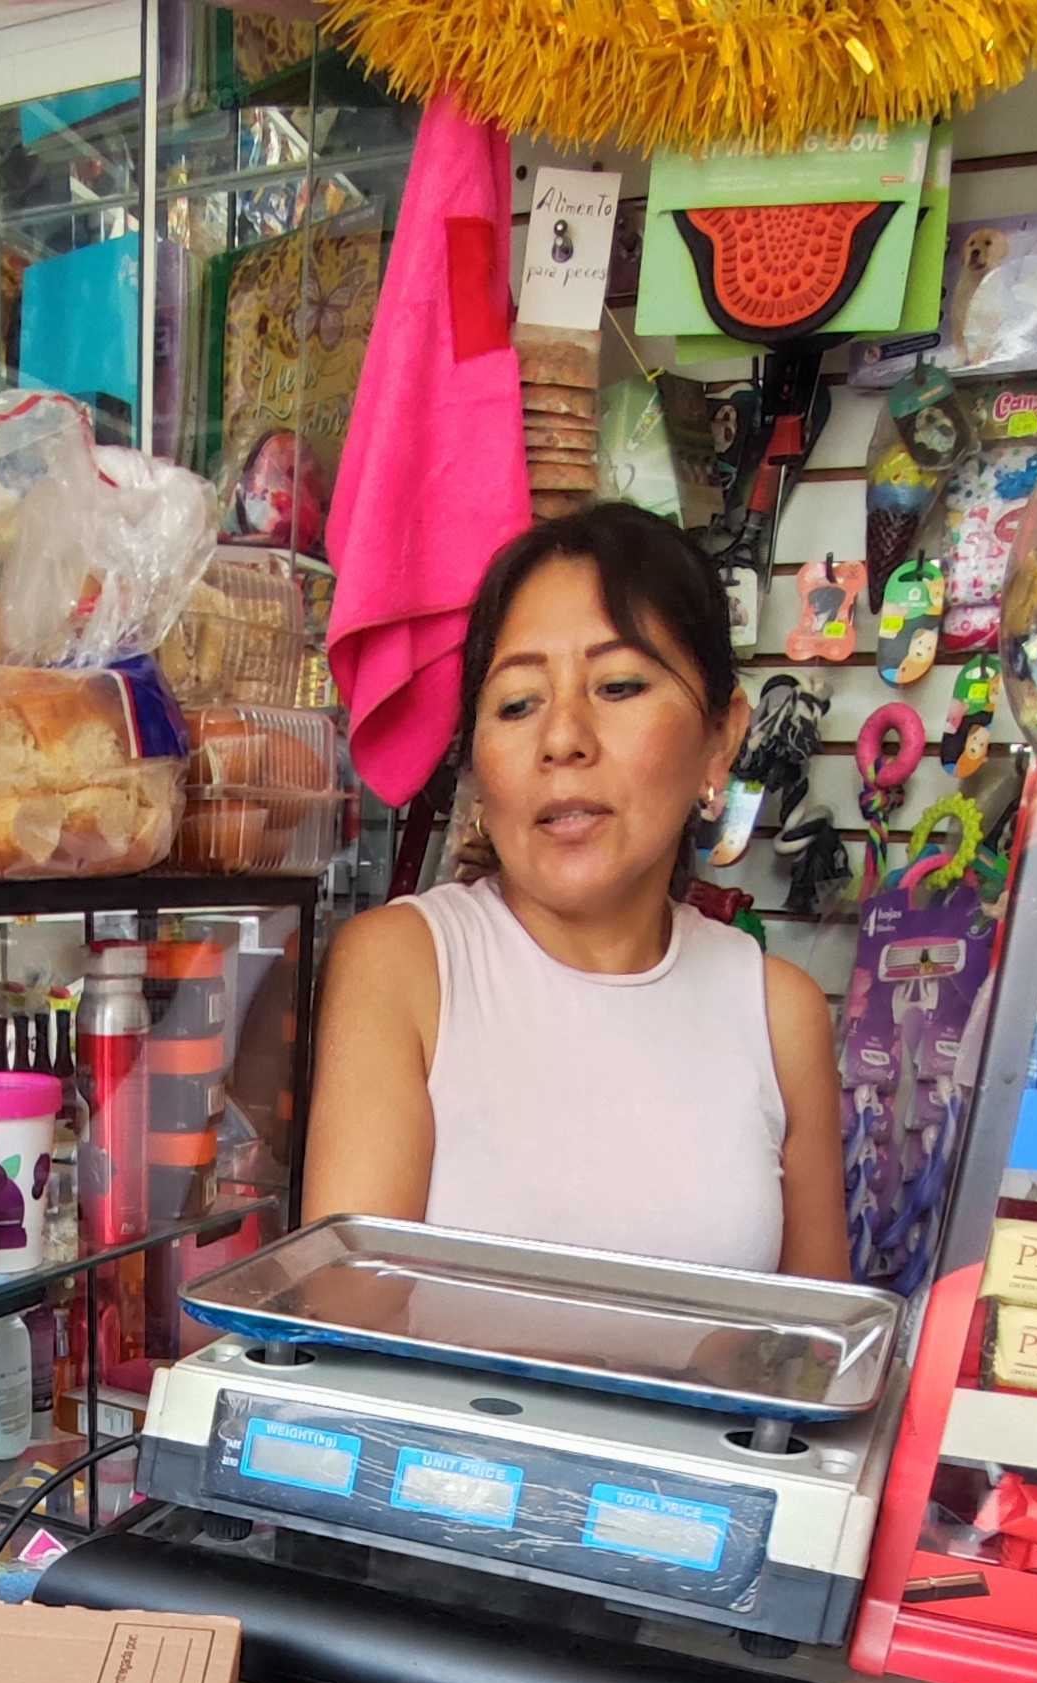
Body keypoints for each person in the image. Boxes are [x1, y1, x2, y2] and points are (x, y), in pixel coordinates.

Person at [304, 502, 851, 1279]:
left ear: (721, 736)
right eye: (517, 704)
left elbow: (816, 1342)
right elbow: (348, 1320)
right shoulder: (405, 968)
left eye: (619, 686)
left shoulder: (778, 1014)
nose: (562, 738)